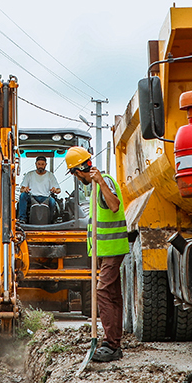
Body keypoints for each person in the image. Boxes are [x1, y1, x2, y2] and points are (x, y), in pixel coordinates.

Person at [65, 145, 127, 363]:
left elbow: (115, 206)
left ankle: (111, 345)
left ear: (79, 170)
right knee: (113, 296)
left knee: (102, 292)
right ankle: (115, 342)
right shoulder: (93, 187)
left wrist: (100, 182)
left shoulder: (103, 182)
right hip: (105, 251)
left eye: (74, 173)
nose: (76, 177)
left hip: (112, 250)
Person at [16, 154, 61, 224]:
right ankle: (23, 218)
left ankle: (50, 220)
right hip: (32, 197)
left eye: (42, 164)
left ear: (45, 164)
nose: (40, 166)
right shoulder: (29, 174)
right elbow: (22, 189)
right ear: (35, 164)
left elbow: (59, 190)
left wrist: (55, 190)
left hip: (46, 197)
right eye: (39, 164)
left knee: (53, 202)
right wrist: (25, 189)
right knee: (23, 196)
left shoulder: (50, 175)